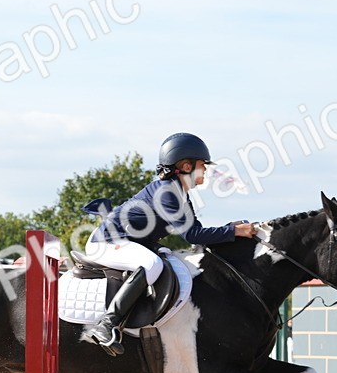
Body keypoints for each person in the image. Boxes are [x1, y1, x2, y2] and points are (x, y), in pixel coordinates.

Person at [83, 132, 257, 355]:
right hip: (106, 242)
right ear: (186, 166)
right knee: (151, 264)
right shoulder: (168, 193)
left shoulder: (180, 193)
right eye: (202, 165)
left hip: (129, 240)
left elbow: (199, 231)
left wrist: (231, 229)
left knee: (167, 258)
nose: (205, 170)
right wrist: (233, 231)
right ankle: (107, 325)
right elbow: (192, 236)